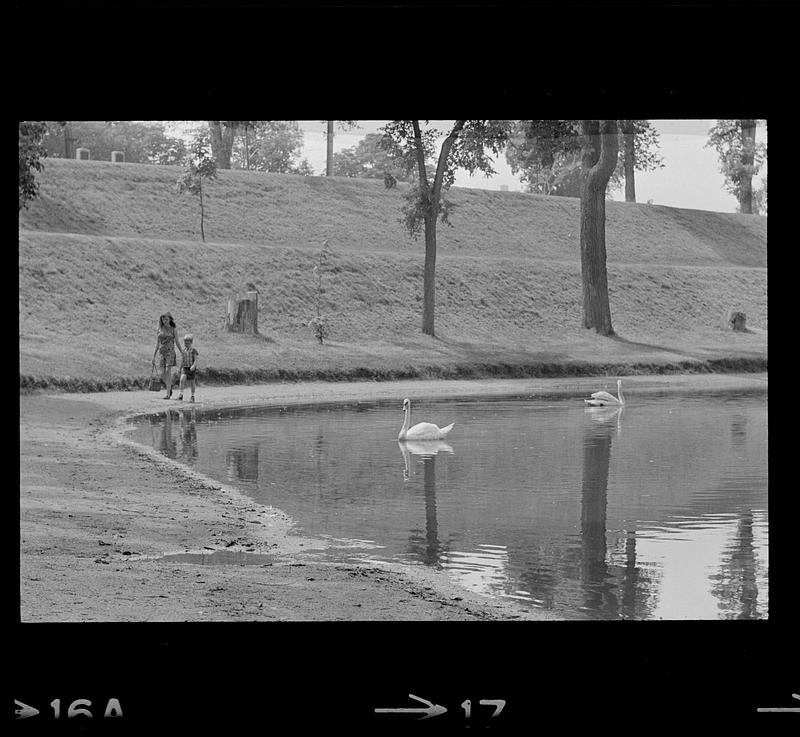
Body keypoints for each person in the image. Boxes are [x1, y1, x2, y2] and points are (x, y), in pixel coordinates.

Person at [152, 313, 182, 399]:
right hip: (161, 353)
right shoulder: (159, 329)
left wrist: (181, 352)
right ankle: (170, 386)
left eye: (166, 319)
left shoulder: (173, 329)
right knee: (162, 374)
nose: (164, 321)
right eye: (163, 319)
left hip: (170, 352)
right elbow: (157, 344)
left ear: (170, 319)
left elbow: (177, 342)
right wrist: (153, 356)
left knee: (168, 371)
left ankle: (168, 394)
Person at [176, 333, 199, 402]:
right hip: (185, 368)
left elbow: (196, 360)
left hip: (191, 368)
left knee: (192, 382)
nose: (186, 344)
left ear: (191, 343)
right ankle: (181, 394)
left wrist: (193, 366)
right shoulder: (183, 351)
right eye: (185, 343)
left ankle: (192, 396)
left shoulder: (193, 350)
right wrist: (180, 368)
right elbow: (183, 360)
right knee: (182, 379)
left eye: (187, 343)